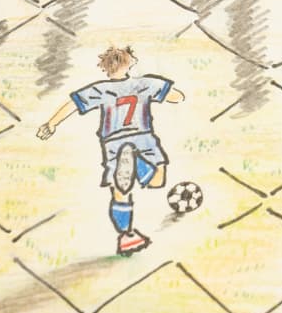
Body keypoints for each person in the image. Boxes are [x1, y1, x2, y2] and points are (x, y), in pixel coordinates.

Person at [37, 44, 184, 256]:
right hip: (143, 138)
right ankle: (139, 164)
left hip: (113, 143)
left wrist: (51, 124)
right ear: (129, 63)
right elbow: (177, 96)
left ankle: (127, 236)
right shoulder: (144, 83)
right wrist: (170, 93)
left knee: (120, 191)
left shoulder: (99, 89)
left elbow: (72, 104)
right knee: (157, 180)